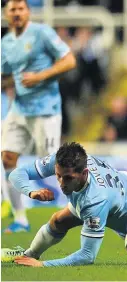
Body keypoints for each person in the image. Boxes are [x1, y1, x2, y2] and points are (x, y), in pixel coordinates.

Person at [1, 0, 77, 233]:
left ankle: (81, 209)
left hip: (46, 111)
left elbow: (69, 60)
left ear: (28, 12)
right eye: (12, 9)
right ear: (5, 13)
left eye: (20, 8)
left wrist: (41, 76)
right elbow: (6, 76)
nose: (16, 13)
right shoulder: (5, 43)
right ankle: (21, 219)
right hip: (20, 109)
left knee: (56, 165)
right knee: (6, 158)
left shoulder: (42, 33)